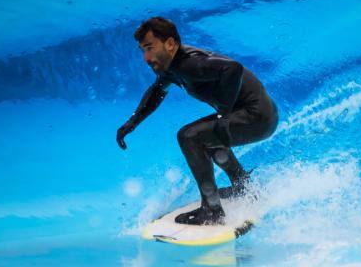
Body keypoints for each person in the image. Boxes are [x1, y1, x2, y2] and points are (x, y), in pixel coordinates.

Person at [116, 16, 279, 225]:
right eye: (143, 51)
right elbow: (157, 91)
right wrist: (132, 123)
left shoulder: (191, 63)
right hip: (256, 114)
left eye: (150, 48)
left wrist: (222, 114)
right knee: (205, 135)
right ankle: (242, 186)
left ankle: (212, 211)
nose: (146, 58)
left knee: (189, 137)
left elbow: (233, 69)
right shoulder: (172, 67)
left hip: (258, 117)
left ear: (170, 44)